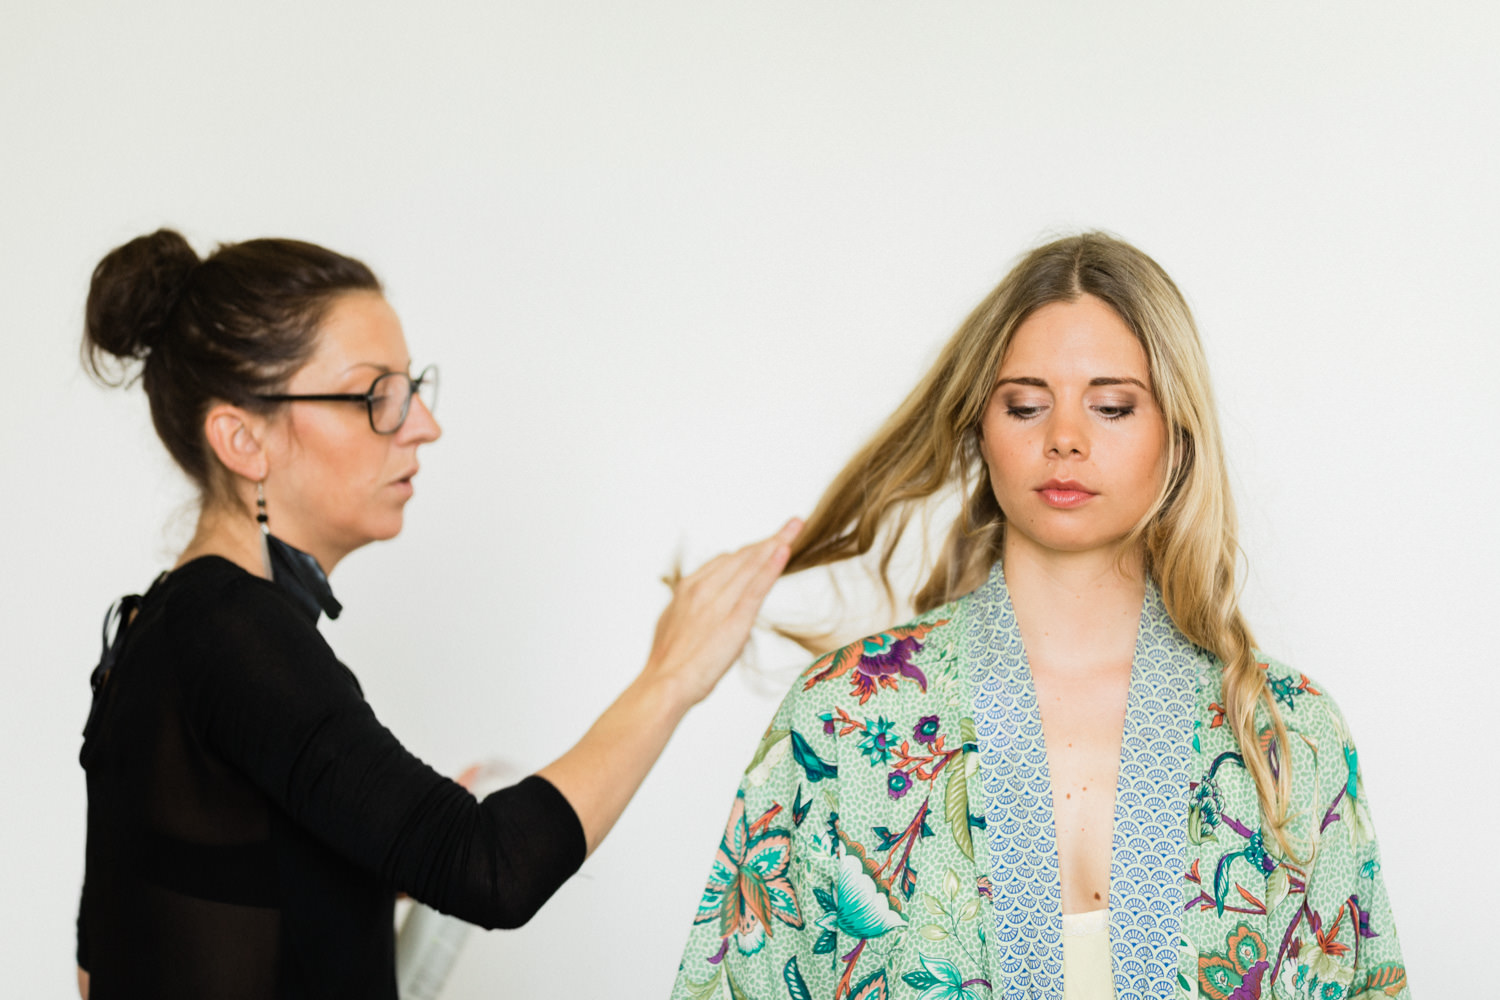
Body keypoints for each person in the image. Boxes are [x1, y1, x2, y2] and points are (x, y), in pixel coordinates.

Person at [668, 233, 1408, 1000]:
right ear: (979, 431)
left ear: (1177, 437)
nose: (1064, 438)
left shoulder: (1288, 737)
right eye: (1025, 405)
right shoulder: (844, 720)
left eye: (1112, 406)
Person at [74, 228, 801, 999]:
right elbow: (489, 868)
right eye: (376, 396)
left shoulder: (159, 626)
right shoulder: (234, 634)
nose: (423, 423)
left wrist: (365, 850)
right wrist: (674, 675)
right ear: (242, 438)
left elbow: (109, 960)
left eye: (413, 387)